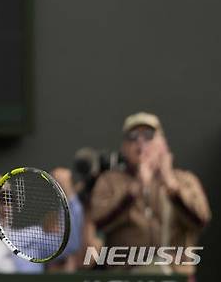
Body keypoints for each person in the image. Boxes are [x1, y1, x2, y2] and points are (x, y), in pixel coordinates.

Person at [90, 112, 211, 277]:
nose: (140, 142)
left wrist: (172, 188)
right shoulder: (110, 180)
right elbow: (99, 222)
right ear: (124, 147)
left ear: (163, 143)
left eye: (148, 135)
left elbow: (201, 220)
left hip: (175, 275)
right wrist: (134, 190)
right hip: (126, 274)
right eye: (132, 137)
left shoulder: (184, 180)